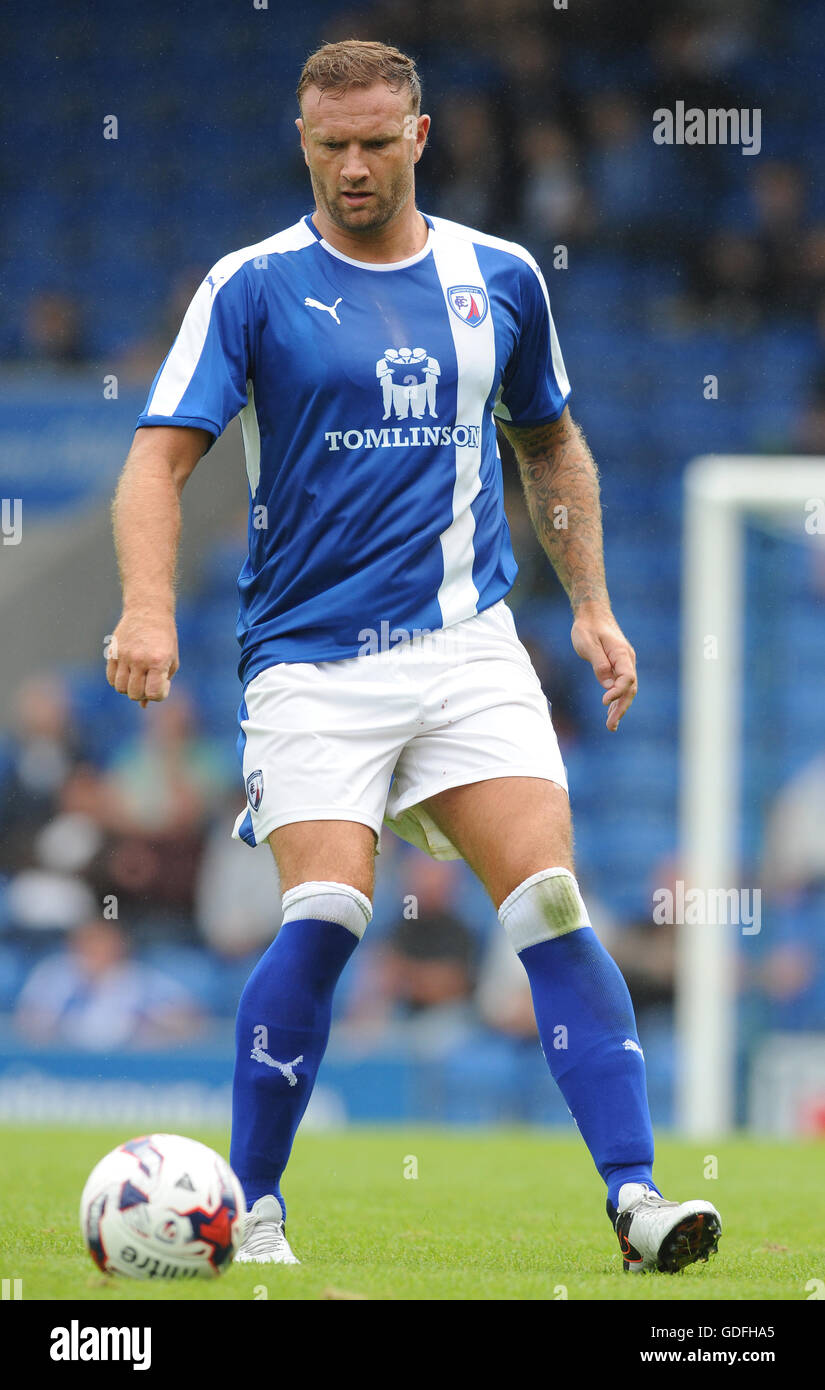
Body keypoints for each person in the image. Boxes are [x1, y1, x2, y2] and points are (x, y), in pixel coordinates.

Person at [106, 39, 720, 1274]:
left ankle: (639, 1199)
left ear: (421, 137)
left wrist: (592, 607)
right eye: (330, 145)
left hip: (466, 647)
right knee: (328, 910)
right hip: (311, 662)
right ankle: (256, 1207)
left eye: (377, 142)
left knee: (550, 900)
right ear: (303, 141)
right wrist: (148, 608)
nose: (353, 166)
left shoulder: (497, 278)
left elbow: (551, 447)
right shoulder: (252, 284)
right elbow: (157, 459)